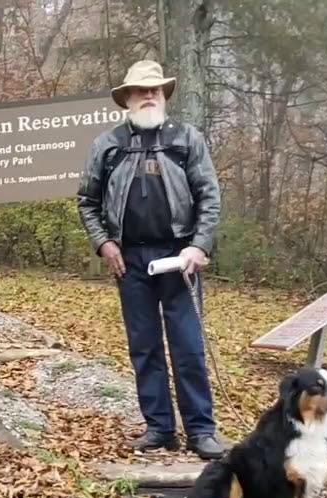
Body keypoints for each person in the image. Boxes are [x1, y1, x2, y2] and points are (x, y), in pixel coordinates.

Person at [76, 60, 224, 461]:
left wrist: (199, 246)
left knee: (188, 346)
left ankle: (201, 430)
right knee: (144, 346)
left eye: (155, 90)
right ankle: (159, 427)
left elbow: (210, 197)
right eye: (141, 90)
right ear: (126, 98)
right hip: (130, 260)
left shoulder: (187, 139)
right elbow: (87, 202)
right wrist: (104, 243)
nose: (148, 96)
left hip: (181, 257)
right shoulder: (107, 144)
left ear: (164, 95)